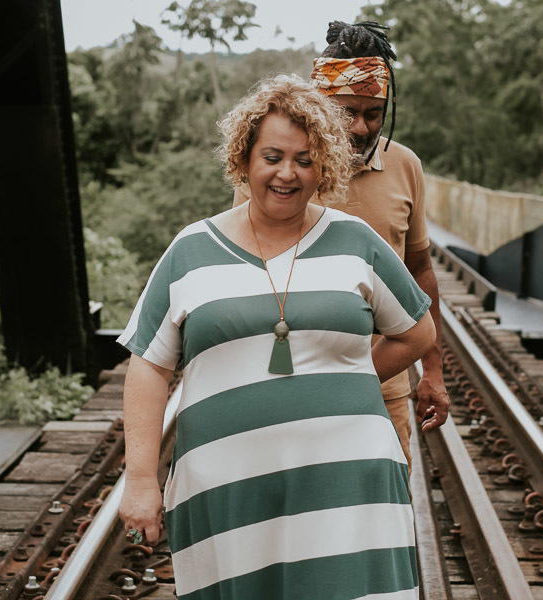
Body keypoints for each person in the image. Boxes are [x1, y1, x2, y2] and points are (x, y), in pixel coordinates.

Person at [118, 74, 434, 599]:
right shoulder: (190, 250)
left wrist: (347, 378)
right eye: (273, 156)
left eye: (306, 160)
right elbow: (149, 365)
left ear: (324, 168)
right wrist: (141, 479)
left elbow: (417, 333)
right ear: (244, 160)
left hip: (347, 486)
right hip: (228, 492)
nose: (288, 173)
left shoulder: (356, 241)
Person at [234, 21, 449, 472]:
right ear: (319, 105)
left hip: (380, 383)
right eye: (345, 111)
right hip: (285, 384)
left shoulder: (405, 165)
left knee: (380, 512)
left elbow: (419, 271)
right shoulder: (280, 172)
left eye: (374, 113)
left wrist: (433, 370)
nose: (360, 126)